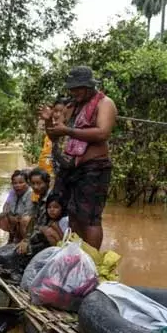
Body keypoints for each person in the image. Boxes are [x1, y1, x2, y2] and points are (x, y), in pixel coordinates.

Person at [41, 66, 117, 249]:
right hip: (72, 168)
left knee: (90, 219)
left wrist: (68, 130)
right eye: (72, 89)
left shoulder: (105, 103)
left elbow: (102, 133)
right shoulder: (71, 107)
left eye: (78, 88)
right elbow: (54, 136)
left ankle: (92, 262)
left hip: (94, 169)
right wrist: (48, 121)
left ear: (89, 86)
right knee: (73, 215)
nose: (74, 92)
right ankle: (76, 256)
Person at [0, 170, 34, 244]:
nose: (17, 185)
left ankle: (26, 242)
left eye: (21, 182)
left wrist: (16, 218)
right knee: (3, 216)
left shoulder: (31, 193)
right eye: (15, 183)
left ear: (27, 183)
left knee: (24, 220)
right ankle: (11, 239)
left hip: (28, 221)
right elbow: (6, 205)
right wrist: (5, 213)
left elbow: (29, 213)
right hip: (16, 217)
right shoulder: (12, 192)